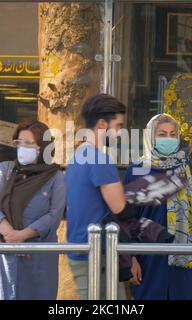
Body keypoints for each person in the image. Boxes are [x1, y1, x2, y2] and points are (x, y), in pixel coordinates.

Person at [124, 113, 192, 300]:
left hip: (184, 254)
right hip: (149, 256)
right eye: (162, 134)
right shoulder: (137, 169)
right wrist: (131, 257)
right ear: (150, 136)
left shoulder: (191, 166)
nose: (168, 139)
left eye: (172, 134)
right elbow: (128, 217)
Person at [0, 121, 66, 300]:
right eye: (19, 142)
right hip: (4, 251)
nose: (22, 148)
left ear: (42, 147)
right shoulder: (6, 169)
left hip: (37, 254)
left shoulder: (55, 176)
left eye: (29, 143)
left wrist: (23, 236)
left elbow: (54, 215)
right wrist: (11, 235)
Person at [65, 94, 128, 300]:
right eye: (118, 125)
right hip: (97, 252)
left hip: (79, 246)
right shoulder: (100, 160)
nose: (120, 132)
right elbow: (120, 208)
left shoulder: (76, 157)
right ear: (102, 124)